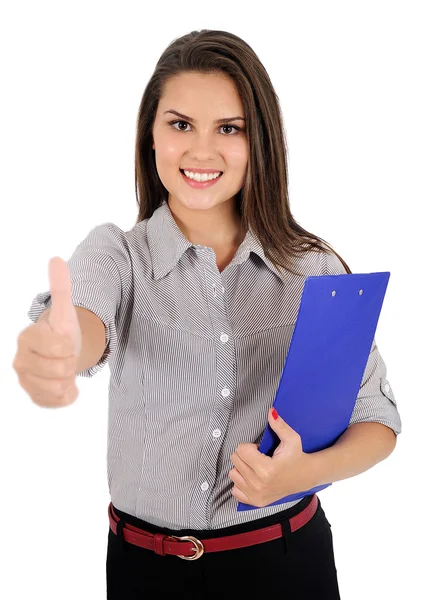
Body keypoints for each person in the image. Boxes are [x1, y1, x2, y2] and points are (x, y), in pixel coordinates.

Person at [14, 29, 402, 599]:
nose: (201, 151)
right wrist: (57, 347)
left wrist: (304, 474)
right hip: (144, 573)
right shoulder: (117, 254)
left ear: (260, 141)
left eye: (229, 128)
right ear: (151, 136)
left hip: (286, 565)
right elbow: (81, 326)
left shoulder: (314, 270)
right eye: (179, 124)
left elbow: (378, 420)